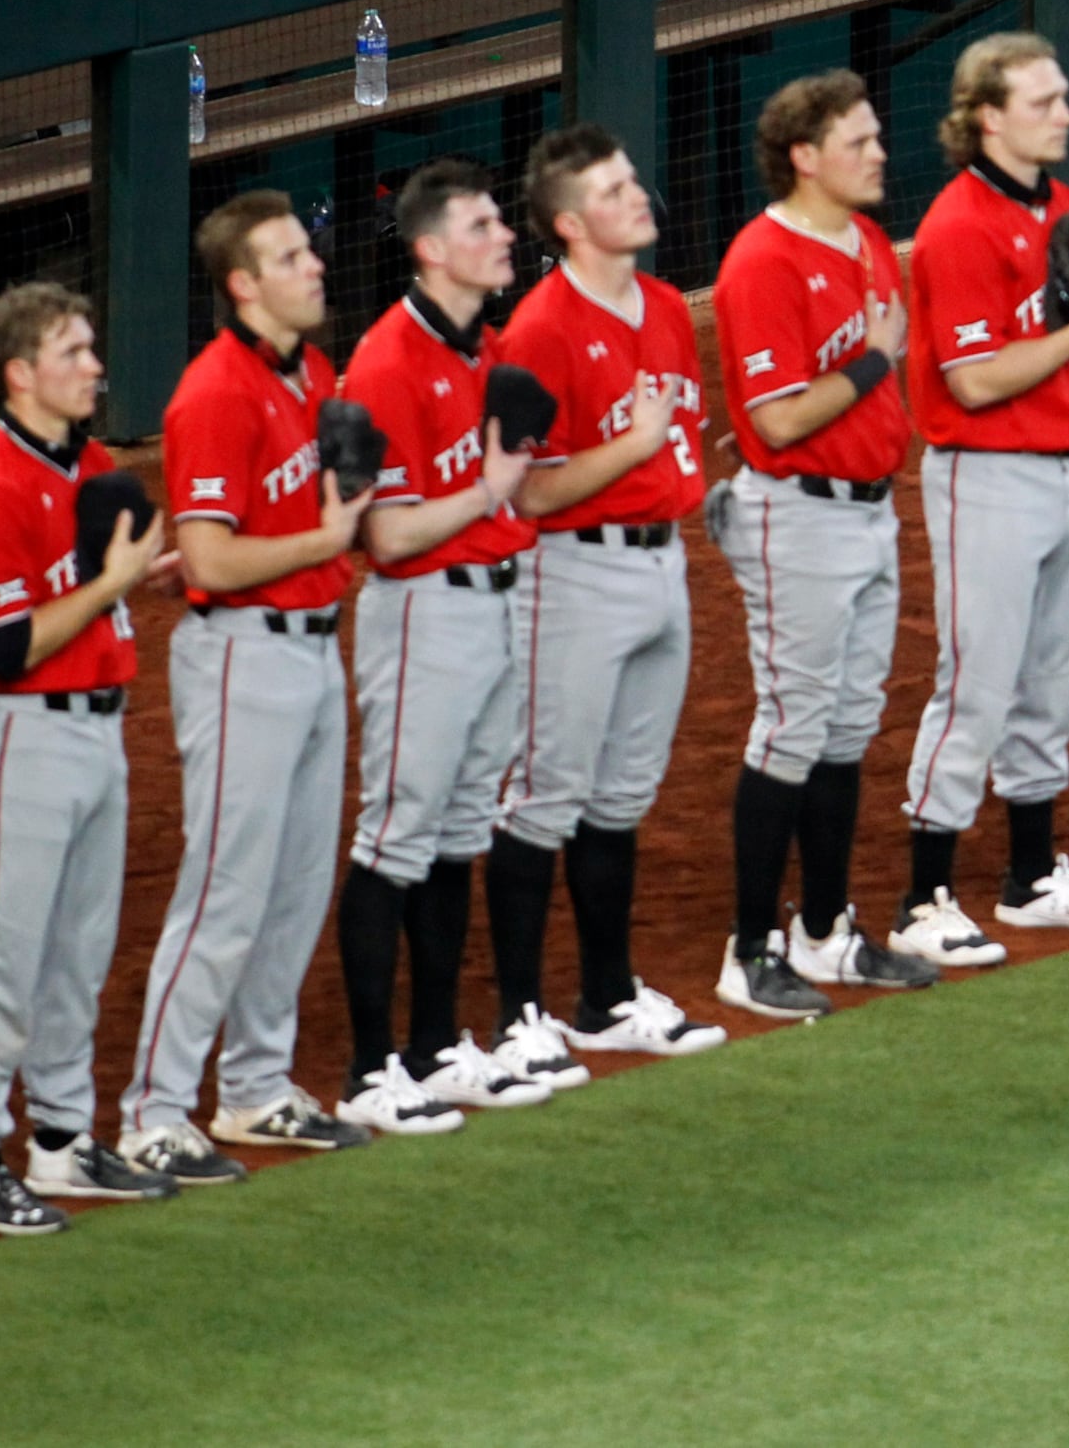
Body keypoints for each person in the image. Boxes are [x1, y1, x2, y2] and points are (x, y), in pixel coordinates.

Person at [0, 285, 201, 1220]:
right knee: (6, 954)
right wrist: (109, 583)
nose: (95, 366)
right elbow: (0, 649)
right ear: (20, 374)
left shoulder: (91, 468)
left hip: (96, 729)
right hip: (19, 736)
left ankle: (58, 1140)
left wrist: (131, 584)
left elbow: (83, 596)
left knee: (80, 952)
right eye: (75, 352)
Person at [124, 191, 370, 1172]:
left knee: (298, 883)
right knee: (227, 890)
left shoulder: (313, 372)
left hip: (314, 647)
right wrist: (329, 535)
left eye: (309, 251)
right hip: (242, 655)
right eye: (290, 257)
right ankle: (152, 1112)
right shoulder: (215, 393)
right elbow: (215, 564)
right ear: (242, 284)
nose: (314, 267)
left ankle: (257, 1088)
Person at [899, 33, 1069, 947]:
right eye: (1043, 102)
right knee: (976, 686)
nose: (1066, 115)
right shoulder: (956, 227)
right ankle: (923, 899)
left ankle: (1031, 875)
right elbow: (972, 382)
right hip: (986, 479)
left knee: (1050, 684)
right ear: (987, 118)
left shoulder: (1067, 211)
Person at [706, 74, 941, 1016]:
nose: (879, 152)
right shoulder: (761, 261)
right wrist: (876, 358)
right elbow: (783, 414)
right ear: (803, 156)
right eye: (859, 140)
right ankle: (748, 950)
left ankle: (828, 931)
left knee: (845, 728)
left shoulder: (869, 240)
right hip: (798, 518)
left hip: (871, 513)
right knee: (793, 725)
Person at [491, 125, 727, 1058]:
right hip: (571, 577)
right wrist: (628, 450)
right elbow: (527, 491)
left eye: (635, 179)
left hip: (662, 566)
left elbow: (680, 448)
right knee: (542, 797)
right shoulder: (538, 332)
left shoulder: (668, 306)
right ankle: (516, 1021)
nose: (641, 197)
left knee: (620, 799)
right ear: (568, 223)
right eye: (616, 188)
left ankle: (605, 998)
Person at [331, 159, 556, 1117]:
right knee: (397, 833)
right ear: (430, 251)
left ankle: (433, 1045)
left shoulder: (483, 348)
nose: (504, 236)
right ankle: (370, 1067)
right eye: (480, 226)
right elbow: (385, 536)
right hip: (424, 611)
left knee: (459, 830)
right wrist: (488, 493)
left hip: (493, 604)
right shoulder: (388, 362)